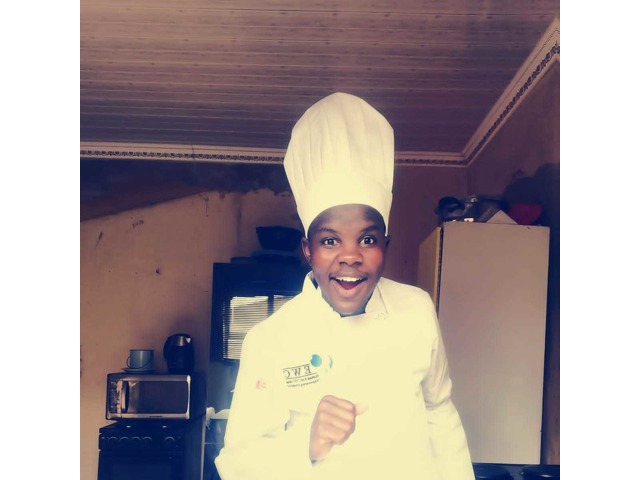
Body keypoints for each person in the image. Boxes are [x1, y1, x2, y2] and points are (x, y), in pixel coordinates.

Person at [214, 92, 474, 480]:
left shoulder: (417, 310)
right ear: (308, 250)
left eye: (367, 239)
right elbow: (236, 464)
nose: (350, 256)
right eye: (330, 240)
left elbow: (439, 411)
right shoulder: (269, 340)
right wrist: (306, 443)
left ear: (386, 245)